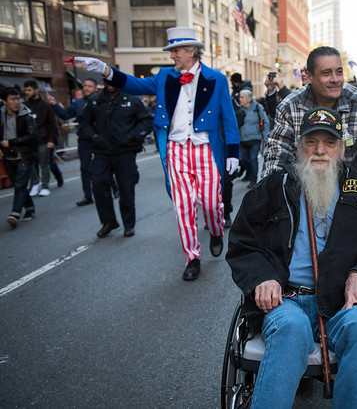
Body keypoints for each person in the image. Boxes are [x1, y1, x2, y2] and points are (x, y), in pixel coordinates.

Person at [226, 107, 357, 408]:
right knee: (290, 329)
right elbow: (242, 242)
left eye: (329, 142)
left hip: (340, 302)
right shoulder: (275, 187)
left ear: (341, 149)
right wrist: (263, 276)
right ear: (299, 146)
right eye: (311, 142)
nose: (320, 150)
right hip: (285, 301)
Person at [75, 26, 240, 280]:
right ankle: (192, 257)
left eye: (176, 51)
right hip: (175, 150)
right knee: (183, 206)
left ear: (192, 51)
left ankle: (216, 230)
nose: (172, 56)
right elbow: (134, 84)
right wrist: (105, 71)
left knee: (210, 203)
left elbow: (228, 117)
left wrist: (232, 152)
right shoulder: (164, 77)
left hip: (206, 149)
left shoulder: (216, 78)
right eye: (171, 51)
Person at [262, 45, 357, 192]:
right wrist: (273, 197)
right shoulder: (289, 107)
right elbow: (277, 155)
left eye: (339, 72)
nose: (335, 79)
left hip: (352, 194)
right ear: (309, 77)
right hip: (301, 193)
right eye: (326, 73)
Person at [77, 81, 153, 237]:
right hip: (102, 151)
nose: (111, 84)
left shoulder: (132, 100)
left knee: (126, 187)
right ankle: (108, 221)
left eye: (114, 79)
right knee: (98, 184)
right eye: (107, 80)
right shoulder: (95, 100)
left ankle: (128, 224)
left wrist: (132, 136)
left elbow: (146, 121)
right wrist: (94, 136)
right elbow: (83, 124)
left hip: (125, 151)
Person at [48, 78, 104, 206]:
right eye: (84, 85)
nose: (86, 88)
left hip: (100, 139)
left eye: (89, 86)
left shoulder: (101, 101)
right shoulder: (78, 103)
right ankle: (88, 196)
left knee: (102, 166)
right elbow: (65, 114)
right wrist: (54, 104)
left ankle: (113, 186)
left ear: (95, 88)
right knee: (85, 168)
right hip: (84, 140)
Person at [1, 87, 37, 228]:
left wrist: (11, 142)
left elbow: (32, 136)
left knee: (21, 184)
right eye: (13, 99)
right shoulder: (1, 115)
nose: (17, 102)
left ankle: (15, 213)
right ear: (4, 101)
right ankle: (30, 208)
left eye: (18, 99)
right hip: (7, 155)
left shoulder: (26, 115)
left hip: (24, 155)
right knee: (17, 184)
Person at [23, 80, 60, 197]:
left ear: (36, 90)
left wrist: (52, 140)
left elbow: (53, 124)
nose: (27, 92)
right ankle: (35, 183)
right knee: (31, 164)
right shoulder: (24, 106)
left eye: (29, 90)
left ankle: (45, 185)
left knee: (45, 163)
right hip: (30, 140)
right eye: (26, 90)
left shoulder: (45, 105)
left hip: (44, 139)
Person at [237, 89, 270, 187]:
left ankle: (253, 180)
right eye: (240, 97)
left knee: (253, 159)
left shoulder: (257, 107)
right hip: (242, 139)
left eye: (242, 97)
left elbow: (265, 122)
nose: (240, 99)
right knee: (243, 160)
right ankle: (248, 173)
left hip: (255, 138)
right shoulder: (238, 109)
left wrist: (265, 138)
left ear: (248, 99)